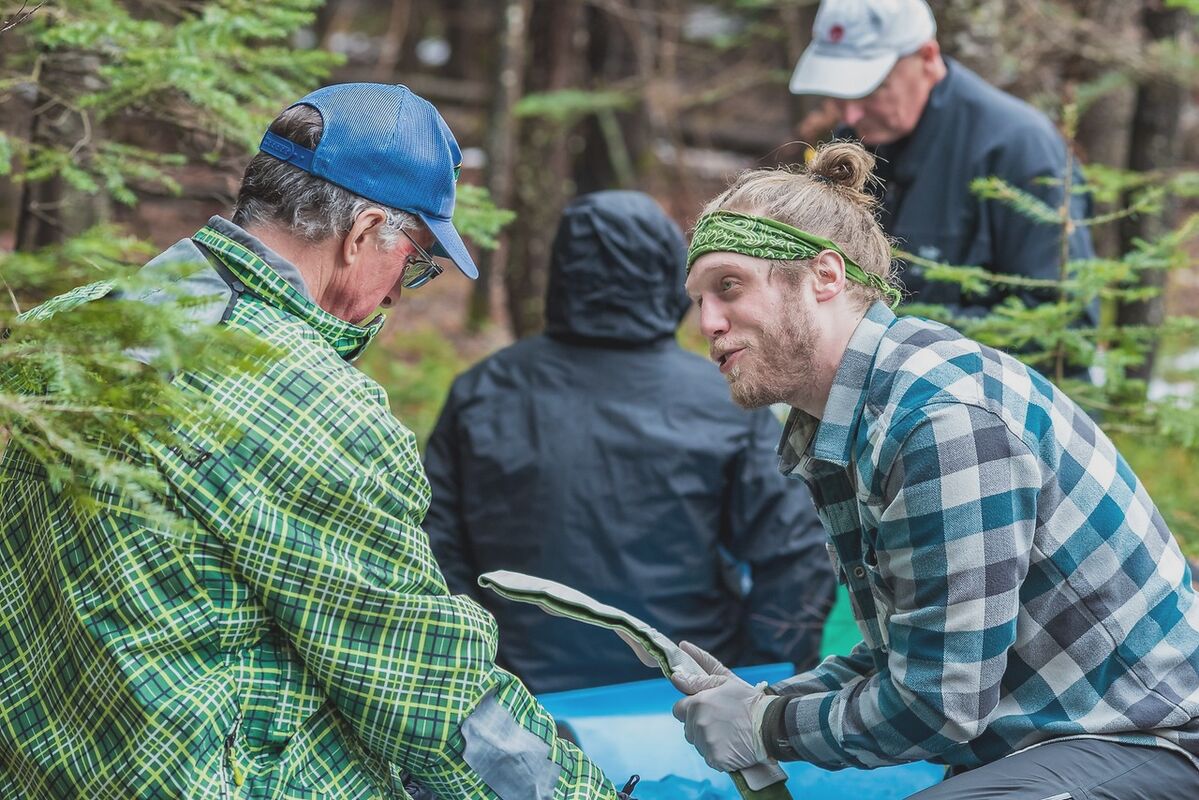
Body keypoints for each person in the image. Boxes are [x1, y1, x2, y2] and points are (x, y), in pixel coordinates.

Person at [0, 83, 629, 799]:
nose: (398, 294)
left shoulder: (76, 321)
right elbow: (428, 689)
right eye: (416, 260)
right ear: (363, 234)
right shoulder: (310, 405)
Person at [668, 140, 1199, 799]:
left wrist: (767, 725)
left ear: (824, 277)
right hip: (1048, 743)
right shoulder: (846, 419)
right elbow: (912, 649)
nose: (707, 323)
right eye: (696, 299)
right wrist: (763, 699)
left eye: (728, 287)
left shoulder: (938, 419)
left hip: (1150, 742)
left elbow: (936, 707)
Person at [423, 190, 835, 694]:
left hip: (522, 698)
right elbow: (796, 557)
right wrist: (752, 684)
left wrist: (475, 679)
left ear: (561, 275)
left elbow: (434, 553)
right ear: (668, 275)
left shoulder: (483, 390)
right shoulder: (724, 400)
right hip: (682, 698)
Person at [789, 0, 1095, 318]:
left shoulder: (1019, 150)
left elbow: (1062, 320)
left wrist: (895, 336)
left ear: (928, 57)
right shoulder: (852, 141)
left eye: (873, 89)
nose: (850, 114)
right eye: (840, 92)